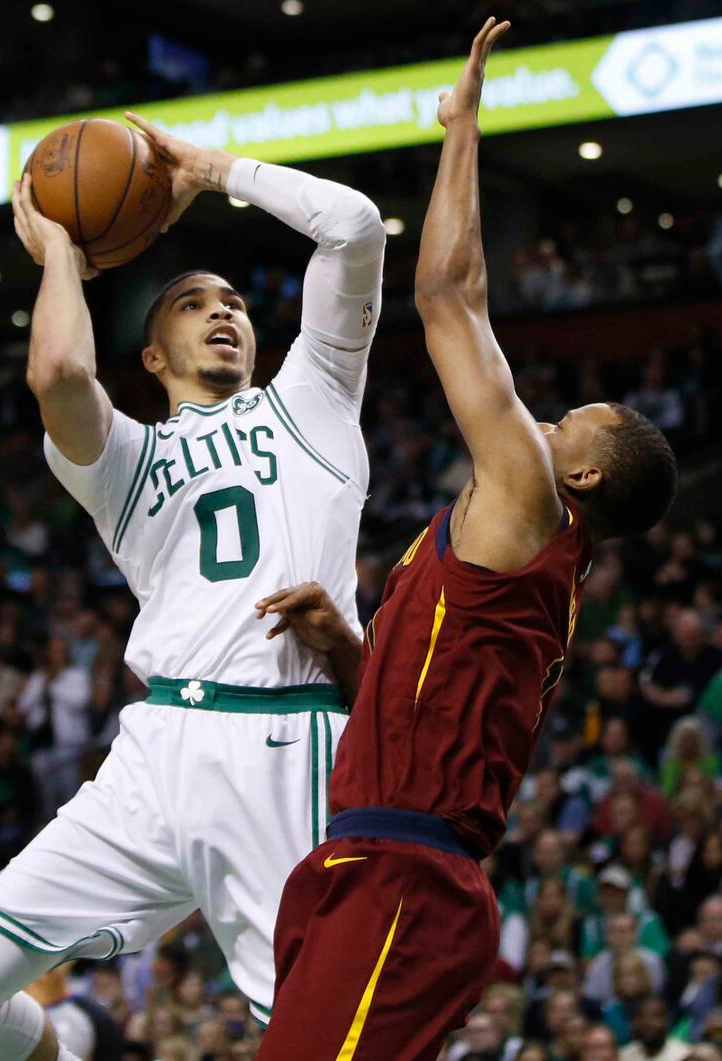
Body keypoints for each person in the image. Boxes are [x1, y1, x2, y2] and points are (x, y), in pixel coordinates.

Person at [0, 113, 386, 1060]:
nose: (223, 310)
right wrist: (58, 250)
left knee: (314, 1039)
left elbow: (356, 226)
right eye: (191, 303)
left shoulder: (315, 401)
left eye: (234, 302)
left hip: (281, 743)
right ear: (153, 358)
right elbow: (55, 367)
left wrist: (208, 170)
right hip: (152, 750)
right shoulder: (121, 462)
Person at [252, 18, 677, 1060]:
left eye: (589, 413)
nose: (563, 408)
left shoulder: (531, 500)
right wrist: (350, 648)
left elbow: (447, 294)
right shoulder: (509, 552)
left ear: (582, 473)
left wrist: (462, 127)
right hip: (373, 855)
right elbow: (422, 709)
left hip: (407, 873)